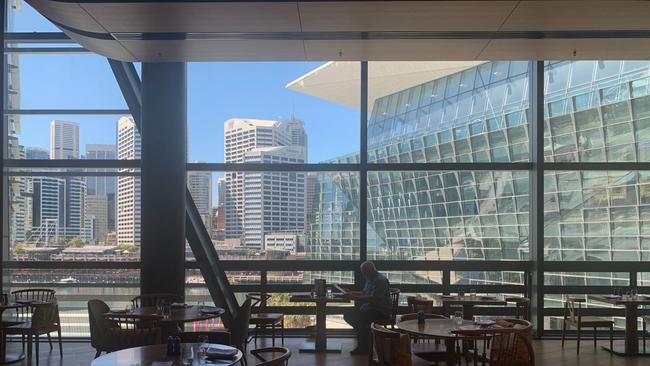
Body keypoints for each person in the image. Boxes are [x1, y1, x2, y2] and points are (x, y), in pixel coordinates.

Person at [342, 261, 391, 355]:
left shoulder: (379, 280)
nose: (363, 275)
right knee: (350, 316)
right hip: (371, 309)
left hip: (380, 311)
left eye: (364, 272)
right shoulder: (371, 278)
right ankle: (366, 340)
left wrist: (353, 297)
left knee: (356, 318)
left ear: (370, 270)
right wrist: (351, 292)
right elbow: (364, 292)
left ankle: (364, 345)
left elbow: (373, 299)